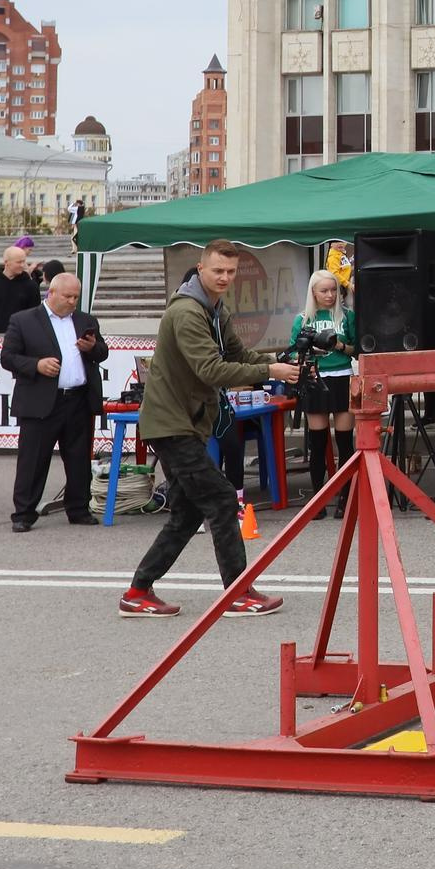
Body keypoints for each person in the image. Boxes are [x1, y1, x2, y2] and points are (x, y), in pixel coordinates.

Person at [118, 240, 285, 618]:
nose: (225, 277)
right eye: (218, 271)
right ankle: (237, 594)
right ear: (200, 268)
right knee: (224, 499)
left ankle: (137, 591)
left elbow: (237, 356)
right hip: (172, 423)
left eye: (230, 272)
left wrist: (281, 359)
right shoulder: (189, 312)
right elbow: (211, 370)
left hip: (182, 422)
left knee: (188, 514)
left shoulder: (213, 307)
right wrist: (270, 372)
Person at [1, 271, 108, 529]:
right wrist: (36, 365)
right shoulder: (24, 320)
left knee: (79, 459)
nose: (72, 301)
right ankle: (24, 514)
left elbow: (102, 353)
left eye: (76, 297)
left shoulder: (85, 320)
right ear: (51, 293)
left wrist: (92, 348)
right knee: (33, 460)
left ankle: (79, 509)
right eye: (68, 296)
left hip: (78, 400)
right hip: (41, 402)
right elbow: (8, 357)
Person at [289, 270, 359, 519]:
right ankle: (317, 499)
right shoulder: (302, 319)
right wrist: (307, 352)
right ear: (313, 293)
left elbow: (357, 349)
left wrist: (337, 345)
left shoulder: (347, 316)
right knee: (317, 443)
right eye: (324, 291)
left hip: (342, 378)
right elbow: (292, 353)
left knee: (344, 441)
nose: (330, 295)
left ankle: (346, 499)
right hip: (315, 379)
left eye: (334, 290)